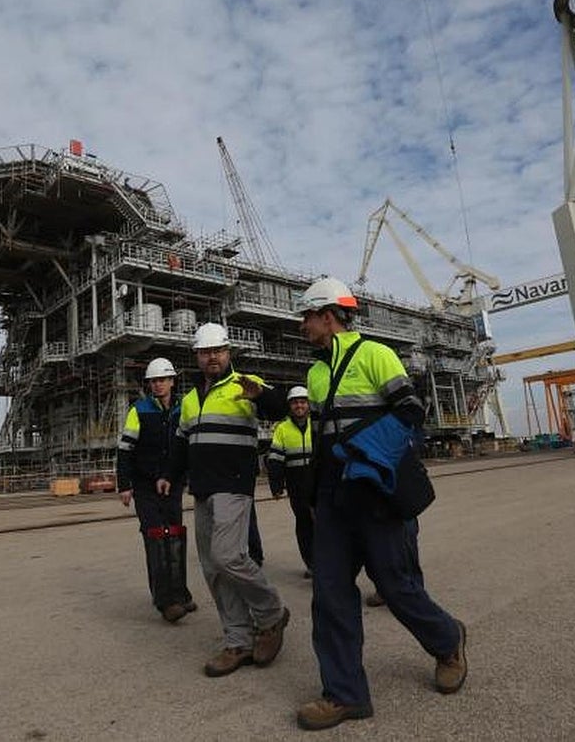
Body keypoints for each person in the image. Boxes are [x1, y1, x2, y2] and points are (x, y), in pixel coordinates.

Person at [291, 277, 467, 731]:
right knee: (329, 595)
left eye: (307, 317)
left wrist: (368, 459)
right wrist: (314, 494)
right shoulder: (314, 372)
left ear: (328, 316)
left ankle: (448, 641)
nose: (303, 326)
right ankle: (345, 695)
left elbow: (410, 412)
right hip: (333, 499)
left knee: (396, 586)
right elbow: (321, 438)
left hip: (375, 493)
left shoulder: (375, 355)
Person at [157, 322, 290, 678]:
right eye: (205, 352)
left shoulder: (244, 384)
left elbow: (281, 408)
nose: (212, 356)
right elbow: (182, 444)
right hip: (201, 488)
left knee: (229, 555)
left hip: (233, 484)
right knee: (213, 568)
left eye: (217, 350)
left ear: (228, 352)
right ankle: (238, 641)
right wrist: (170, 474)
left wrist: (260, 396)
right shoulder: (189, 400)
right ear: (197, 356)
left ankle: (271, 612)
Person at [117, 357, 196, 622]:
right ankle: (165, 601)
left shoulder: (183, 408)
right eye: (153, 381)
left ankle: (180, 593)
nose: (158, 385)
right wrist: (124, 485)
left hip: (172, 484)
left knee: (174, 537)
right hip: (145, 486)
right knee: (156, 537)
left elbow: (189, 446)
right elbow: (125, 450)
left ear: (172, 381)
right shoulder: (138, 410)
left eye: (162, 380)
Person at [266, 386, 315, 578]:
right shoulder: (282, 429)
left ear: (308, 404)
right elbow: (275, 460)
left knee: (323, 525)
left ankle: (326, 562)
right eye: (295, 402)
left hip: (318, 484)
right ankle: (311, 564)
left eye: (303, 402)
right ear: (290, 406)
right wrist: (276, 486)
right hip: (297, 487)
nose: (299, 405)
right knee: (304, 526)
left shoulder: (317, 424)